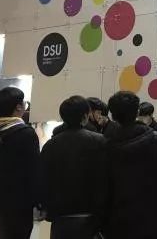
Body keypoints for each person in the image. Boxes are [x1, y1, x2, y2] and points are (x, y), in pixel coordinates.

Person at [40, 96, 107, 239]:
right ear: (85, 116)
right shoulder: (99, 141)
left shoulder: (50, 145)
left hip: (60, 215)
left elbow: (43, 180)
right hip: (91, 214)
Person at [0, 87, 40, 239]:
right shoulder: (26, 133)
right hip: (17, 204)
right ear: (18, 107)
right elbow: (33, 171)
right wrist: (38, 202)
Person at [105, 91, 157, 239]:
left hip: (117, 221)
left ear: (113, 115)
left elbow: (104, 188)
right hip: (150, 219)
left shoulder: (105, 146)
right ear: (137, 111)